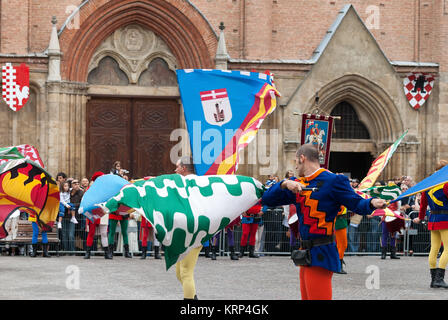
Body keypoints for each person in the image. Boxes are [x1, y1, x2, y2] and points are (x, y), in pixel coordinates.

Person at [262, 144, 386, 300]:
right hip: (305, 252)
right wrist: (285, 184)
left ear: (302, 158)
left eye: (296, 161)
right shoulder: (298, 183)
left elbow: (356, 203)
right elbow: (267, 199)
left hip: (322, 251)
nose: (295, 166)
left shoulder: (334, 181)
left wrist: (372, 203)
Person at [414, 160, 448, 288]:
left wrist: (420, 217)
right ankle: (439, 278)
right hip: (445, 218)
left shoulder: (428, 185)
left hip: (433, 219)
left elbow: (423, 205)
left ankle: (434, 280)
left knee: (434, 249)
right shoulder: (445, 184)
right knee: (447, 250)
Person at [174, 156, 201, 300]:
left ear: (184, 168)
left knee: (185, 272)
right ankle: (194, 298)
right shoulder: (201, 182)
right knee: (179, 273)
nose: (175, 170)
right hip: (184, 232)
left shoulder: (183, 183)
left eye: (177, 167)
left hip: (192, 231)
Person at [84, 172, 112, 260]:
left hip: (103, 212)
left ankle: (106, 253)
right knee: (91, 233)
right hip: (93, 212)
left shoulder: (106, 189)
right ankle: (88, 252)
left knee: (104, 233)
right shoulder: (90, 189)